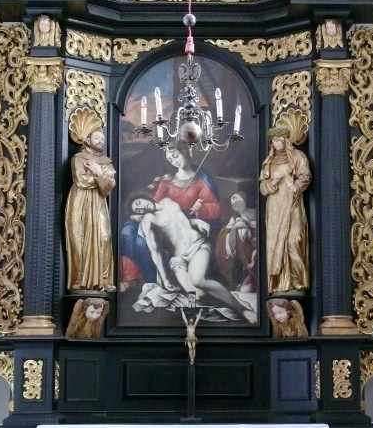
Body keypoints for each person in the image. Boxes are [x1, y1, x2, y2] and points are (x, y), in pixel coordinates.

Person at [131, 196, 257, 322]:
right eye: (138, 210)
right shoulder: (148, 218)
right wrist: (165, 279)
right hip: (179, 260)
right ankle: (194, 325)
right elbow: (155, 251)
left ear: (143, 197)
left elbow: (178, 222)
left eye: (139, 202)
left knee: (198, 281)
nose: (142, 208)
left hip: (197, 246)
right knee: (197, 295)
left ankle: (241, 309)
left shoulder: (167, 201)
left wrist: (196, 222)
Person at [65, 108, 117, 293]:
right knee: (80, 238)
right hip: (80, 201)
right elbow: (81, 181)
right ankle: (80, 279)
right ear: (87, 140)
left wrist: (98, 172)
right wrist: (101, 176)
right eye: (97, 138)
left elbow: (108, 187)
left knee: (104, 237)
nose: (101, 141)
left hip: (99, 202)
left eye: (102, 138)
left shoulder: (106, 162)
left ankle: (103, 279)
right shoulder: (78, 158)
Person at [259, 125, 311, 294]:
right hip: (275, 206)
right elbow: (263, 187)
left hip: (292, 203)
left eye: (278, 141)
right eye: (273, 141)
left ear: (286, 141)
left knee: (293, 239)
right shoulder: (269, 162)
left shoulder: (297, 156)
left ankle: (298, 281)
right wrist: (273, 182)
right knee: (275, 243)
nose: (276, 144)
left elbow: (305, 176)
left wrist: (296, 186)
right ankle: (278, 284)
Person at [150, 144, 221, 226]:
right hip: (169, 223)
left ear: (184, 152)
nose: (175, 162)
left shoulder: (200, 180)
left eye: (176, 156)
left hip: (192, 224)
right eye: (170, 160)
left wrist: (200, 207)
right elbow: (154, 205)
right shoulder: (166, 182)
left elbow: (216, 208)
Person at [216, 193, 257, 292]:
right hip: (247, 264)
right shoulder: (234, 221)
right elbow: (230, 249)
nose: (232, 202)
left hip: (259, 259)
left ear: (245, 200)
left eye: (234, 198)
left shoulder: (259, 214)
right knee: (245, 290)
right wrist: (235, 228)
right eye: (231, 201)